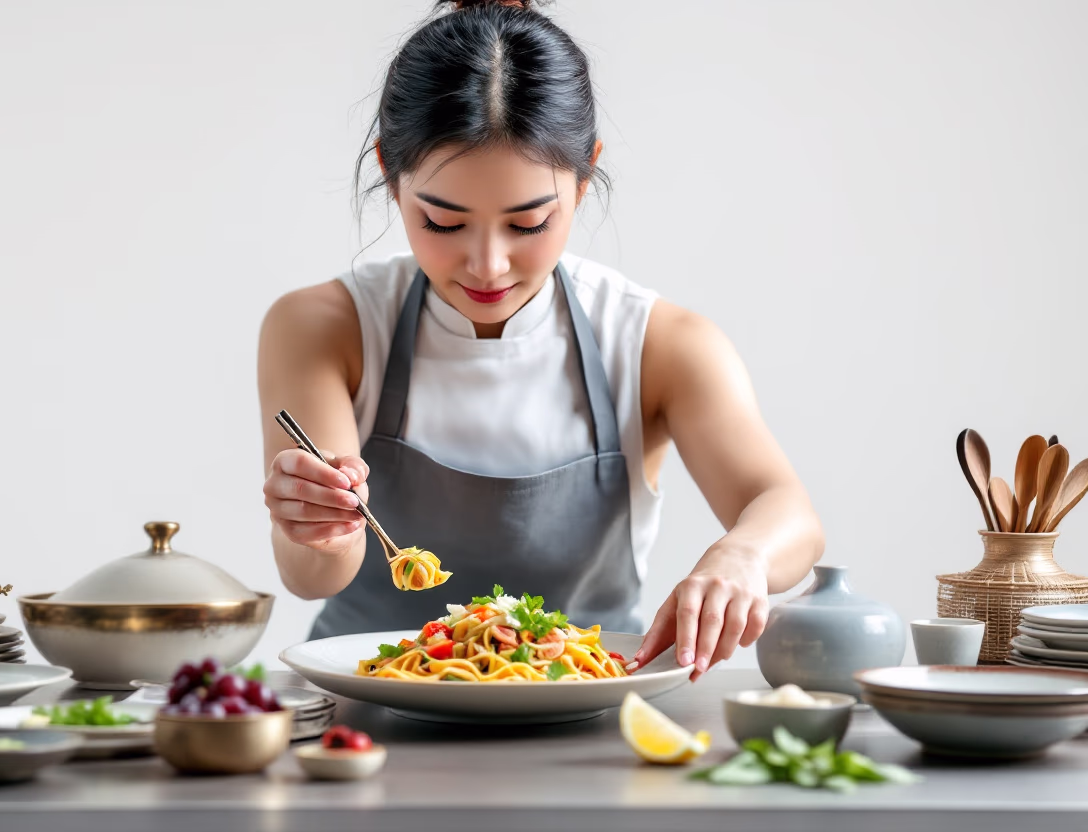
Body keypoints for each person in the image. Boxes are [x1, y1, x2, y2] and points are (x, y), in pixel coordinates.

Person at [259, 0, 824, 680]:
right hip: (367, 709)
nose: (488, 265)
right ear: (389, 172)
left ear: (584, 179)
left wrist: (743, 555)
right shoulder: (325, 326)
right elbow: (315, 578)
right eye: (443, 222)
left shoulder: (660, 343)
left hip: (587, 712)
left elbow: (788, 512)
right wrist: (320, 527)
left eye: (528, 224)